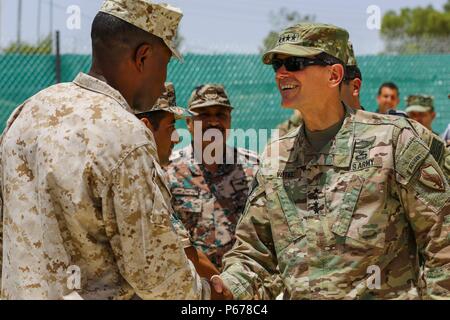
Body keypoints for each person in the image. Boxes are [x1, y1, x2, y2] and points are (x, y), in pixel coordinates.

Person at [212, 22, 450, 300]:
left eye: (295, 62)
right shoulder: (276, 157)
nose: (281, 73)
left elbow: (442, 242)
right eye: (277, 64)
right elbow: (254, 254)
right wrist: (226, 286)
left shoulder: (392, 140)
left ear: (334, 74)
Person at [0, 0, 210, 300]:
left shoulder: (27, 113)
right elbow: (157, 278)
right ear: (143, 56)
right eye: (166, 63)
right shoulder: (125, 134)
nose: (164, 78)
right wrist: (207, 296)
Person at [166, 84, 259, 270]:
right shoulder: (169, 171)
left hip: (244, 280)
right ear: (189, 123)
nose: (214, 122)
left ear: (230, 120)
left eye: (220, 114)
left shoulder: (254, 168)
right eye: (204, 115)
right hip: (194, 284)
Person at [135, 82, 221, 283]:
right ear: (145, 128)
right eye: (171, 126)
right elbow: (184, 250)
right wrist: (228, 292)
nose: (175, 137)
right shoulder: (142, 178)